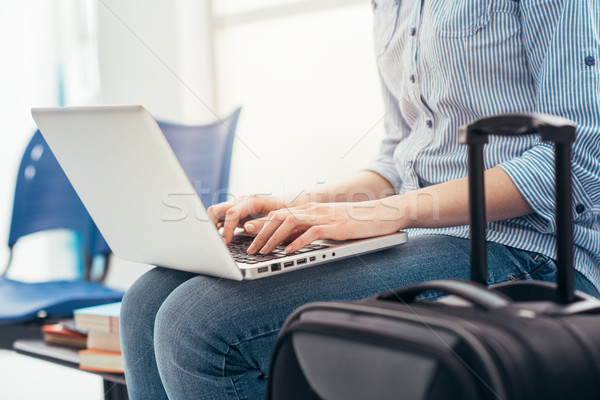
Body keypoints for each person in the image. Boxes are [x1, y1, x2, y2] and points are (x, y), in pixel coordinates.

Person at [120, 1, 600, 399]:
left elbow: (579, 162)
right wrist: (304, 203)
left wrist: (386, 214)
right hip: (425, 235)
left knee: (198, 324)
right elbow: (401, 153)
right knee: (145, 301)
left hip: (535, 248)